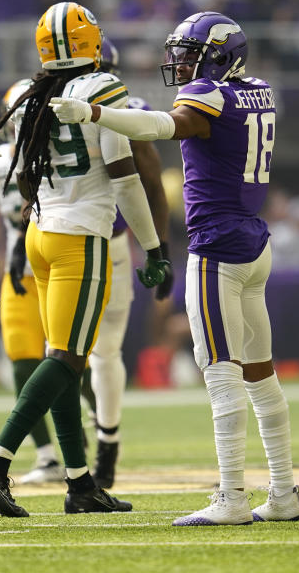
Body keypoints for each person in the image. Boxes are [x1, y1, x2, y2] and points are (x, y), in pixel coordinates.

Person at [50, 11, 299, 526]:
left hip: (217, 249)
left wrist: (95, 115)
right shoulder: (258, 90)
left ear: (218, 54)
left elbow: (162, 127)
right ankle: (284, 493)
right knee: (260, 373)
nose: (180, 62)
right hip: (255, 242)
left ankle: (232, 497)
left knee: (220, 374)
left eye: (189, 53)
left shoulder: (211, 96)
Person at [0, 2, 170, 517]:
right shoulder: (101, 89)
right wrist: (154, 246)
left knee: (63, 358)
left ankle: (79, 481)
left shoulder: (36, 94)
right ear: (91, 43)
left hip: (40, 234)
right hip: (81, 237)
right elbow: (124, 176)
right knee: (69, 360)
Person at [86, 37, 173, 489]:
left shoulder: (44, 101)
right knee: (90, 352)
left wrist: (158, 248)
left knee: (96, 351)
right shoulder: (107, 102)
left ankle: (102, 440)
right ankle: (101, 438)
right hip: (87, 240)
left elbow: (151, 183)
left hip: (89, 239)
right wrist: (158, 249)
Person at [0, 78, 63, 485]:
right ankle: (47, 456)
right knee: (22, 364)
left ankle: (96, 429)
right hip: (18, 275)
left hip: (57, 267)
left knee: (68, 361)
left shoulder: (61, 157)